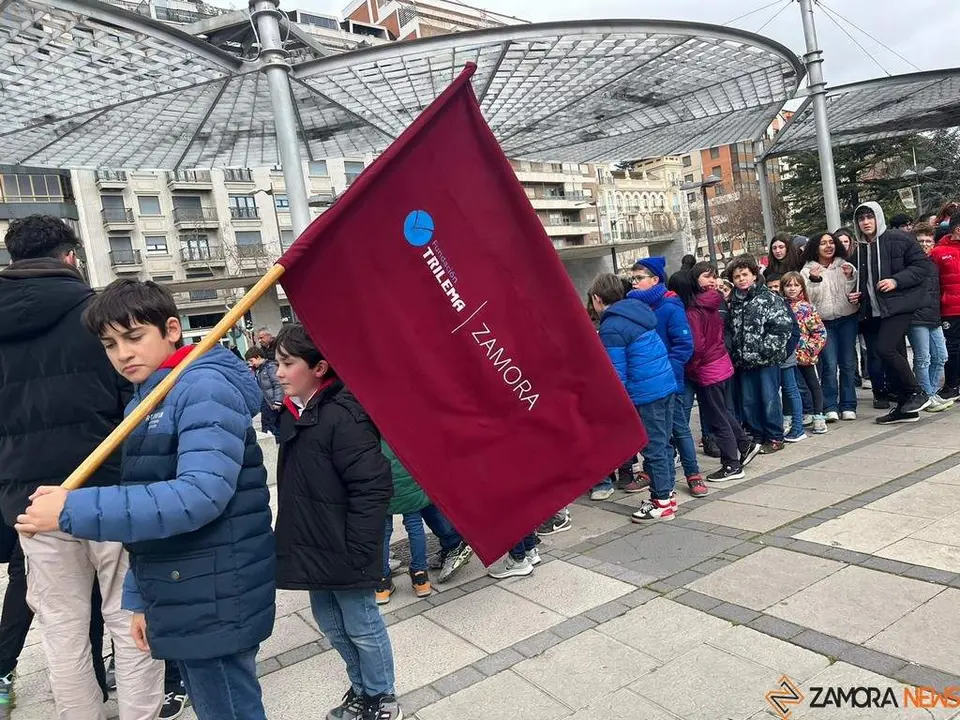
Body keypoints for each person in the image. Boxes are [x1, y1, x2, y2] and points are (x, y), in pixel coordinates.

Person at [16, 278, 277, 720]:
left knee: (229, 708)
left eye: (134, 337)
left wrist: (70, 510)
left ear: (172, 329)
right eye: (110, 344)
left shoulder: (201, 387)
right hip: (183, 586)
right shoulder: (153, 393)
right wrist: (142, 600)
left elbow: (198, 495)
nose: (123, 354)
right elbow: (148, 500)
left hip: (214, 589)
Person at [0, 216, 165, 719]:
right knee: (128, 613)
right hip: (109, 490)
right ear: (70, 256)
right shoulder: (100, 316)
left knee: (62, 627)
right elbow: (133, 398)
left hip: (29, 500)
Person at [272, 324, 400, 720]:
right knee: (331, 623)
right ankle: (361, 689)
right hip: (313, 543)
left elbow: (372, 486)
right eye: (277, 363)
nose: (278, 373)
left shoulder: (343, 416)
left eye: (287, 363)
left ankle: (382, 697)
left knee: (361, 624)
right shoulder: (297, 413)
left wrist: (360, 548)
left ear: (319, 368)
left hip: (346, 545)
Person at [590, 274, 677, 521]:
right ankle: (668, 496)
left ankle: (660, 502)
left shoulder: (611, 327)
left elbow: (616, 373)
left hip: (646, 393)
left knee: (654, 448)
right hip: (665, 384)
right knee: (664, 443)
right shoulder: (637, 311)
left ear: (597, 298)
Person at [670, 271, 760, 482]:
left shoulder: (692, 312)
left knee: (717, 418)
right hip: (721, 363)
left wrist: (691, 368)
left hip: (708, 369)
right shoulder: (709, 303)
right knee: (723, 411)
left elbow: (697, 347)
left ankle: (731, 464)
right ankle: (744, 444)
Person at [627, 258, 703, 498]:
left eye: (639, 278)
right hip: (647, 382)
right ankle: (652, 472)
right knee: (654, 433)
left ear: (655, 279)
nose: (634, 283)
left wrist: (665, 369)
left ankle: (693, 473)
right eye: (633, 278)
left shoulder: (670, 306)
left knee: (678, 428)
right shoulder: (635, 307)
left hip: (669, 381)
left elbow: (684, 344)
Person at [853, 202, 931, 423]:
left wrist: (896, 281)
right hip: (876, 310)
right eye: (861, 219)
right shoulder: (861, 248)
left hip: (900, 305)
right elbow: (865, 279)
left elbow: (922, 267)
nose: (866, 222)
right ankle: (905, 408)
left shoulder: (899, 239)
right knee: (892, 355)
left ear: (878, 217)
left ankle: (917, 392)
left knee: (884, 349)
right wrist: (856, 292)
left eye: (870, 217)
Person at [377, 442, 472, 603]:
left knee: (383, 532)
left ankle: (382, 583)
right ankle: (420, 578)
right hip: (408, 477)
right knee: (415, 526)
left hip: (381, 479)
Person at [726, 255, 794, 453]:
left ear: (754, 275)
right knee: (749, 401)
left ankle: (775, 437)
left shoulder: (769, 298)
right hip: (743, 362)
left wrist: (766, 350)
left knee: (769, 399)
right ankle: (757, 435)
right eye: (737, 276)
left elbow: (782, 327)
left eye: (745, 274)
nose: (741, 279)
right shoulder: (733, 302)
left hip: (766, 361)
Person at [801, 232, 860, 420]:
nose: (828, 246)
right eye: (823, 243)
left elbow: (853, 292)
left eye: (831, 242)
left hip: (847, 319)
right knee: (829, 365)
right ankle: (830, 405)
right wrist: (814, 280)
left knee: (848, 364)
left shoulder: (846, 266)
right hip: (823, 323)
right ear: (815, 247)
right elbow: (809, 299)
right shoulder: (807, 271)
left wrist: (850, 277)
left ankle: (849, 405)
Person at [909, 223, 952, 412]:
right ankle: (925, 395)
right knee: (923, 359)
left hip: (934, 316)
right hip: (917, 318)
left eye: (928, 241)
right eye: (921, 241)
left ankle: (931, 392)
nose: (925, 244)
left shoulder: (934, 263)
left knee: (941, 356)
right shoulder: (910, 264)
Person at [781, 272, 828, 433]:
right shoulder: (780, 306)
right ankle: (787, 417)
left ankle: (819, 416)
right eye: (788, 285)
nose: (792, 289)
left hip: (804, 355)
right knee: (788, 387)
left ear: (802, 287)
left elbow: (820, 332)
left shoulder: (807, 308)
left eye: (796, 285)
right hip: (786, 355)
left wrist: (810, 348)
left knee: (813, 384)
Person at [765, 272, 805, 443]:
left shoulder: (782, 303)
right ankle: (780, 425)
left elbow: (794, 331)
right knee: (775, 392)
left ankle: (798, 427)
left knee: (791, 390)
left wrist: (785, 352)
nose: (774, 290)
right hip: (771, 357)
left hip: (785, 356)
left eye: (776, 287)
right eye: (770, 287)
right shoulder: (767, 302)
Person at [929, 215, 960, 404]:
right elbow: (931, 282)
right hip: (950, 309)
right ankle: (951, 385)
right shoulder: (938, 252)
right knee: (953, 348)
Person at [245, 347, 284, 440]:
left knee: (273, 426)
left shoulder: (270, 368)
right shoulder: (258, 370)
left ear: (258, 357)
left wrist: (278, 401)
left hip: (272, 403)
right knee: (268, 426)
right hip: (266, 403)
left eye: (251, 360)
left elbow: (278, 384)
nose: (251, 364)